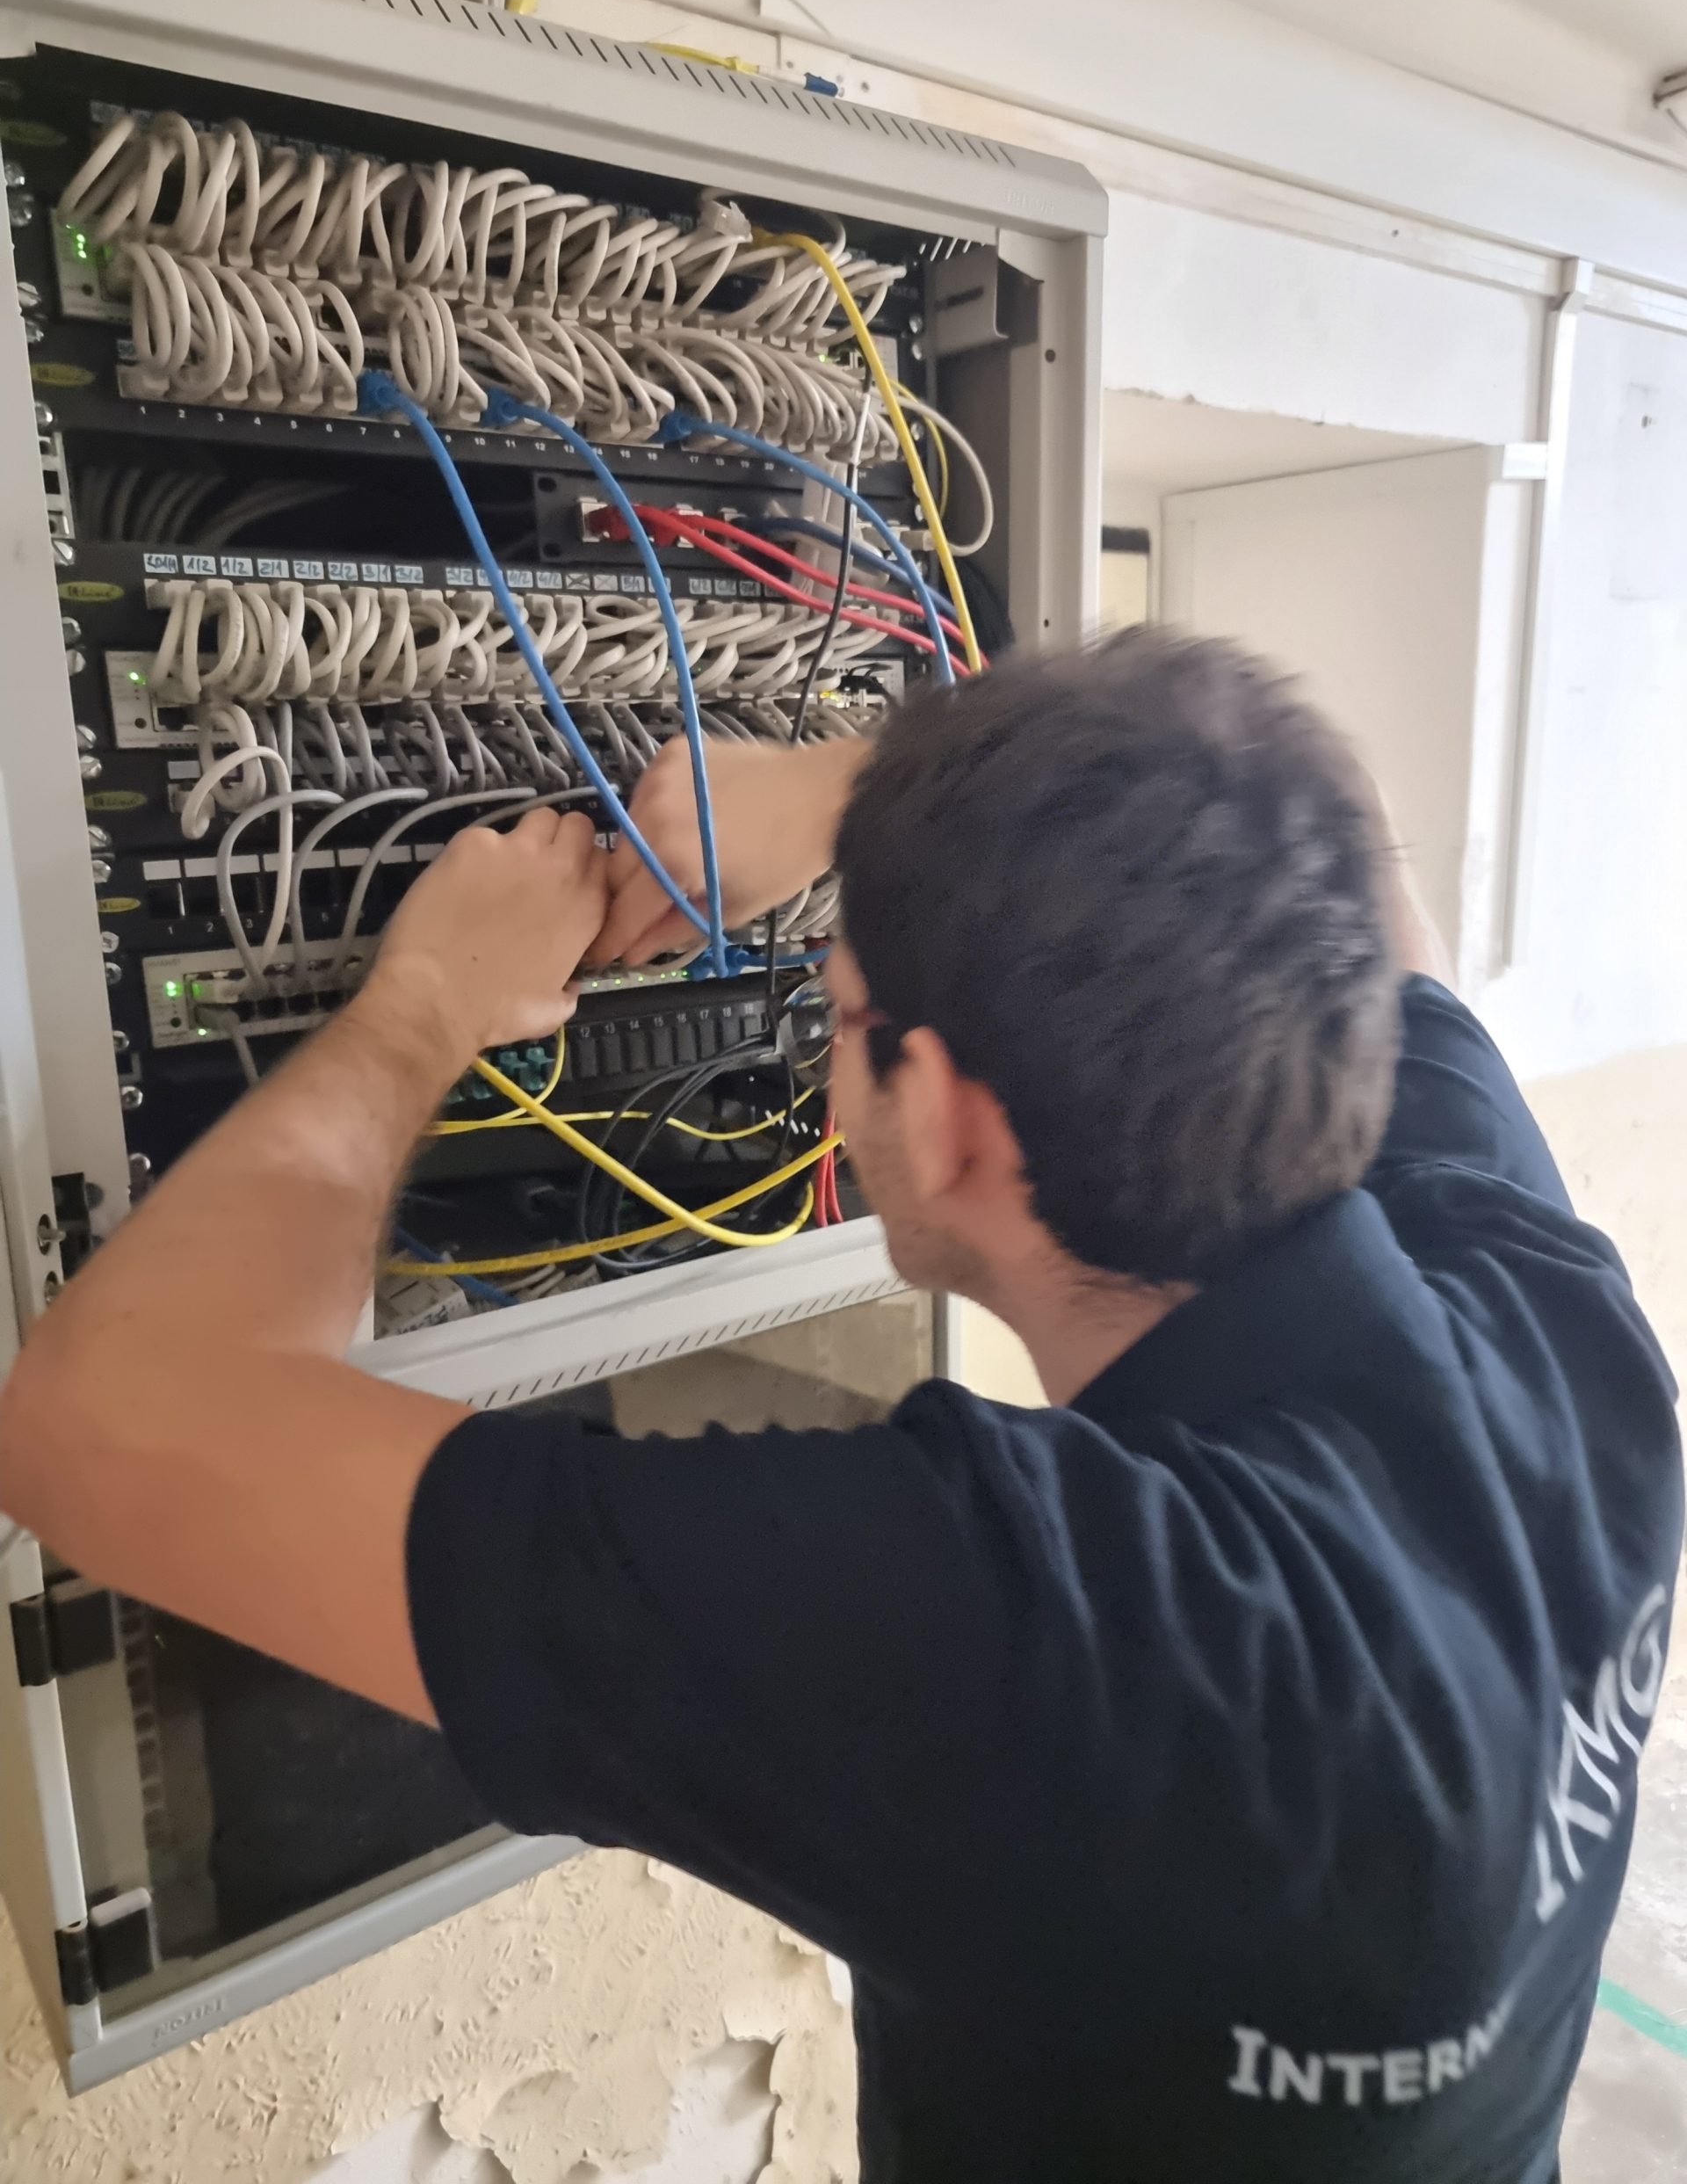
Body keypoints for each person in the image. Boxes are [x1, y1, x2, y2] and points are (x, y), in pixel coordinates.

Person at [0, 630, 1678, 2184]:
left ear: (938, 1115)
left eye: (838, 1004)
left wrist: (423, 1011)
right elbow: (1338, 821)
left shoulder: (1039, 1647)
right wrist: (868, 797)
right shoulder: (1558, 1333)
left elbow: (96, 1423)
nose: (821, 1035)